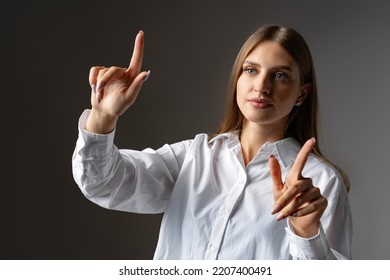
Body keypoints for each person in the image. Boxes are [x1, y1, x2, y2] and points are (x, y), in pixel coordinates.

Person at [72, 24, 352, 259]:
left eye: (280, 76)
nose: (262, 86)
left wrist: (306, 233)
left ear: (302, 94)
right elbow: (103, 184)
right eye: (251, 70)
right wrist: (104, 116)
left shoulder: (321, 182)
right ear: (238, 78)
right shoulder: (194, 157)